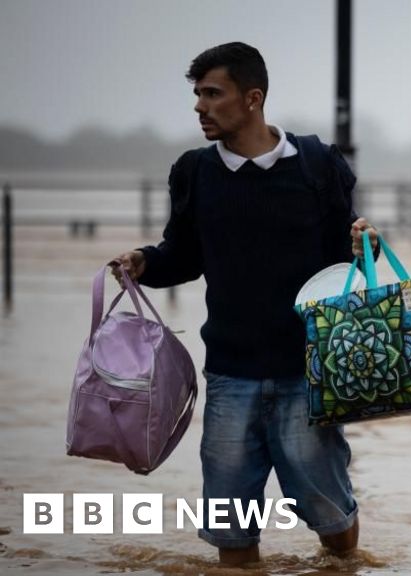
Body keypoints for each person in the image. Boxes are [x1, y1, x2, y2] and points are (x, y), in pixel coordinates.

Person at [109, 42, 374, 566]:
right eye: (197, 94)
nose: (200, 106)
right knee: (231, 530)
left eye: (213, 93)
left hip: (310, 370)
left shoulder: (317, 164)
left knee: (329, 515)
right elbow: (183, 256)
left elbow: (340, 265)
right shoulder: (193, 172)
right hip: (230, 374)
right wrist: (145, 261)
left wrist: (361, 243)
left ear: (252, 99)